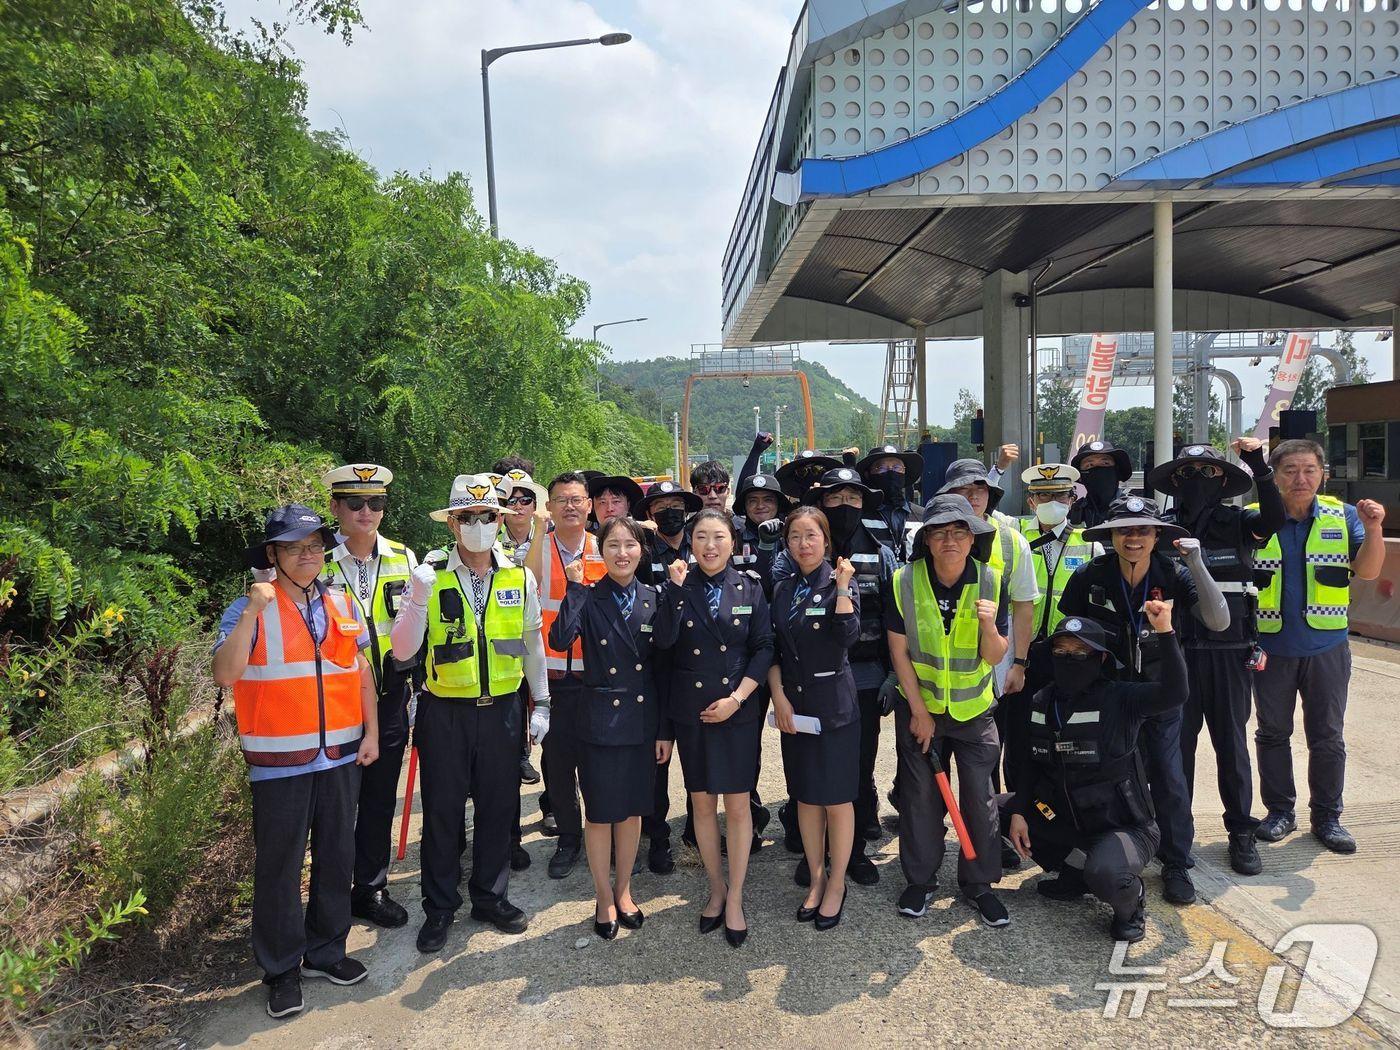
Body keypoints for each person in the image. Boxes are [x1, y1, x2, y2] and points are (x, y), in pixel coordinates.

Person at [212, 505, 379, 1019]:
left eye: (313, 546)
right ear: (273, 556)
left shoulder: (340, 601)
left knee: (337, 857)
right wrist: (251, 611)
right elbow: (224, 674)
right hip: (279, 761)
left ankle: (326, 951)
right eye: (293, 547)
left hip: (340, 756)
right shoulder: (248, 609)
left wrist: (372, 731)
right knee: (280, 868)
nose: (307, 556)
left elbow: (362, 671)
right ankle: (281, 968)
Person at [391, 474, 551, 952]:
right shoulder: (429, 574)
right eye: (467, 517)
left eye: (487, 516)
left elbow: (532, 645)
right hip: (445, 713)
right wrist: (416, 601)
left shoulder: (518, 576)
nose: (478, 525)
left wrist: (541, 702)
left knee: (499, 809)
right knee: (441, 814)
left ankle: (489, 896)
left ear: (500, 521)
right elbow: (403, 650)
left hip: (502, 710)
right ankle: (439, 909)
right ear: (452, 525)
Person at [1059, 495, 1229, 906]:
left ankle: (1175, 862)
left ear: (1157, 536)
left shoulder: (1173, 573)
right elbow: (1070, 626)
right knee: (1103, 776)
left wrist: (1197, 564)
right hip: (1110, 696)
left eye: (1142, 530)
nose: (1133, 538)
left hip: (1159, 694)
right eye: (1124, 530)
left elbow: (1218, 620)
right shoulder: (1090, 575)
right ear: (1112, 536)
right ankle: (1098, 856)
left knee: (1170, 777)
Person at [1005, 607, 1185, 943]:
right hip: (1070, 822)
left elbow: (1175, 693)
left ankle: (1131, 904)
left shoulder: (1121, 698)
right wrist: (1017, 811)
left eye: (1080, 653)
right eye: (1061, 652)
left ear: (1100, 659)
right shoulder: (1042, 701)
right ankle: (1075, 874)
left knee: (1107, 873)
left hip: (1125, 828)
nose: (1069, 659)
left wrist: (1166, 632)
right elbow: (1029, 764)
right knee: (995, 811)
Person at [1146, 439, 1284, 876]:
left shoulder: (1241, 524)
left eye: (1207, 473)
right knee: (1174, 751)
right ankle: (1173, 838)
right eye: (1187, 475)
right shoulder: (1162, 528)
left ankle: (1241, 833)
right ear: (1174, 482)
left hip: (1229, 654)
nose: (1197, 482)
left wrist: (1259, 467)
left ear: (1223, 480)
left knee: (1231, 745)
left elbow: (1277, 517)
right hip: (1176, 655)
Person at [1250, 439, 1386, 854]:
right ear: (1274, 477)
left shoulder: (1343, 516)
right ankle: (1279, 812)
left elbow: (1367, 571)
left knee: (1327, 736)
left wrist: (1375, 527)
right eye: (1290, 470)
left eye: (1309, 469)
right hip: (1270, 648)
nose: (1300, 478)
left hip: (1326, 648)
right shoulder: (1253, 519)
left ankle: (1327, 816)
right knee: (1272, 733)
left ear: (1322, 473)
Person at [886, 494, 1011, 927]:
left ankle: (979, 884)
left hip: (975, 711)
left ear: (972, 537)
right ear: (927, 540)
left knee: (980, 798)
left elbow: (995, 656)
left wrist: (989, 625)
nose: (950, 540)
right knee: (920, 799)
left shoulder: (991, 582)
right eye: (939, 532)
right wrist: (918, 712)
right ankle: (920, 880)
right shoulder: (904, 580)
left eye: (959, 531)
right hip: (921, 711)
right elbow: (898, 653)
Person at [651, 510, 774, 946]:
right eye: (700, 536)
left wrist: (737, 699)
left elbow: (763, 648)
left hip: (737, 710)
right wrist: (674, 590)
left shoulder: (749, 587)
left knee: (738, 807)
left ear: (732, 540)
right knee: (702, 805)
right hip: (693, 713)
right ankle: (716, 888)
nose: (709, 545)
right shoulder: (676, 587)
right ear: (690, 542)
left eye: (718, 536)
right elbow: (662, 648)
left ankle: (737, 895)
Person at [547, 516, 671, 940]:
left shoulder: (654, 598)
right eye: (612, 545)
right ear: (600, 550)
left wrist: (664, 731)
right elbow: (560, 640)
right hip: (599, 720)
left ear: (641, 551)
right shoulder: (589, 596)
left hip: (640, 722)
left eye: (630, 545)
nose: (621, 553)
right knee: (601, 815)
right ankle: (602, 897)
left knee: (633, 810)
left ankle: (624, 891)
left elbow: (660, 672)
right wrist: (575, 589)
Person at [772, 467, 895, 884]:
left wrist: (893, 675)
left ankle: (854, 852)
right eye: (836, 498)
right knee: (808, 776)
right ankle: (815, 854)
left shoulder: (880, 549)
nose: (845, 507)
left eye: (854, 499)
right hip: (808, 680)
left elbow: (893, 617)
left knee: (855, 773)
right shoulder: (791, 563)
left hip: (862, 679)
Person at [316, 464, 418, 930]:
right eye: (355, 503)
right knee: (336, 806)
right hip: (334, 701)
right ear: (335, 507)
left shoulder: (403, 556)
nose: (366, 512)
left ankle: (370, 889)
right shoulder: (315, 559)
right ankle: (329, 896)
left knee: (379, 798)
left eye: (375, 502)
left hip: (391, 695)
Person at [769, 508, 861, 931]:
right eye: (795, 537)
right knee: (805, 797)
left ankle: (838, 883)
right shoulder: (783, 588)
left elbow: (847, 637)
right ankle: (816, 876)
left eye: (811, 535)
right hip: (796, 709)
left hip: (834, 709)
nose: (803, 544)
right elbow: (772, 649)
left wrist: (842, 588)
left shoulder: (840, 583)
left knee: (838, 801)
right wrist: (780, 698)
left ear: (826, 540)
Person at [524, 472, 609, 879]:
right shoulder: (539, 548)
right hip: (553, 675)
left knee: (597, 761)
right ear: (550, 507)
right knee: (558, 765)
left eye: (577, 499)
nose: (570, 506)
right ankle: (568, 838)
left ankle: (600, 834)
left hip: (596, 676)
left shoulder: (604, 547)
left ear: (589, 504)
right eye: (561, 500)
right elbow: (528, 586)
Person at [1002, 462, 1101, 790]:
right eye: (1043, 496)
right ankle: (1017, 807)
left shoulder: (1089, 544)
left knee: (1065, 734)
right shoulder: (1014, 537)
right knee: (1018, 736)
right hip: (1023, 655)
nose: (1051, 502)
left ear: (1072, 499)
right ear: (1031, 502)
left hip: (1068, 655)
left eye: (1058, 495)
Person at [492, 465, 550, 866]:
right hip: (501, 656)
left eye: (526, 498)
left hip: (545, 646)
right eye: (510, 498)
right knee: (506, 751)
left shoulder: (546, 533)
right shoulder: (484, 533)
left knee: (557, 740)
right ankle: (507, 836)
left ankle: (553, 805)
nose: (518, 506)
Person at [855, 444, 926, 560]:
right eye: (882, 468)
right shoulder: (858, 515)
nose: (891, 472)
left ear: (904, 473)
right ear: (868, 474)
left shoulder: (922, 516)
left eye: (897, 467)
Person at [732, 473, 792, 596]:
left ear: (778, 504)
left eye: (768, 500)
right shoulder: (734, 539)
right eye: (752, 501)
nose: (760, 506)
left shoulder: (791, 536)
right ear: (744, 506)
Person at [1069, 441, 1133, 529]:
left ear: (1117, 471)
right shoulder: (1072, 514)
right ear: (1081, 476)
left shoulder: (1135, 511)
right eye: (1089, 465)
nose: (1098, 470)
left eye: (1105, 463)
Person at [776, 450, 841, 501]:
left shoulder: (838, 508)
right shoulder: (791, 515)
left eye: (817, 469)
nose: (810, 475)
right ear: (794, 477)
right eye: (802, 471)